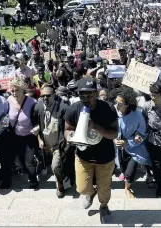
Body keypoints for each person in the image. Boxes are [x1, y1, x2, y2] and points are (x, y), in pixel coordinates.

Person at [64, 77, 118, 221]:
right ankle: (90, 193)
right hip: (83, 157)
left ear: (96, 93)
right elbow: (67, 129)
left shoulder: (108, 108)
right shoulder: (73, 108)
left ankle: (104, 205)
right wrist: (69, 137)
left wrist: (95, 126)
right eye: (82, 94)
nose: (85, 97)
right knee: (81, 188)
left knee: (104, 188)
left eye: (89, 94)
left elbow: (114, 133)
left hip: (105, 158)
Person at [33, 84, 72, 198]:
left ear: (54, 95)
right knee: (52, 166)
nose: (45, 98)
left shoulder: (63, 108)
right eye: (43, 96)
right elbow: (37, 124)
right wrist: (39, 138)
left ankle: (60, 186)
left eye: (48, 95)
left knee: (55, 166)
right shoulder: (38, 108)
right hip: (45, 145)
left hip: (58, 145)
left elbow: (68, 126)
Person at [114, 87, 150, 198]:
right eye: (116, 102)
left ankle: (127, 188)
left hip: (135, 148)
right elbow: (110, 129)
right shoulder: (113, 112)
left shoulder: (137, 115)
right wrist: (114, 139)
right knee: (124, 169)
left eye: (120, 103)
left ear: (128, 104)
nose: (117, 105)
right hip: (119, 148)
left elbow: (142, 134)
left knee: (130, 171)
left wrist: (129, 141)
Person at [8, 78, 39, 188]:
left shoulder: (32, 102)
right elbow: (5, 117)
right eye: (12, 91)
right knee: (17, 161)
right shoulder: (8, 100)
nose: (14, 93)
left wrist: (38, 128)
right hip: (15, 136)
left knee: (28, 161)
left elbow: (40, 118)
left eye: (17, 90)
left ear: (23, 90)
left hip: (29, 136)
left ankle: (33, 178)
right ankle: (25, 170)